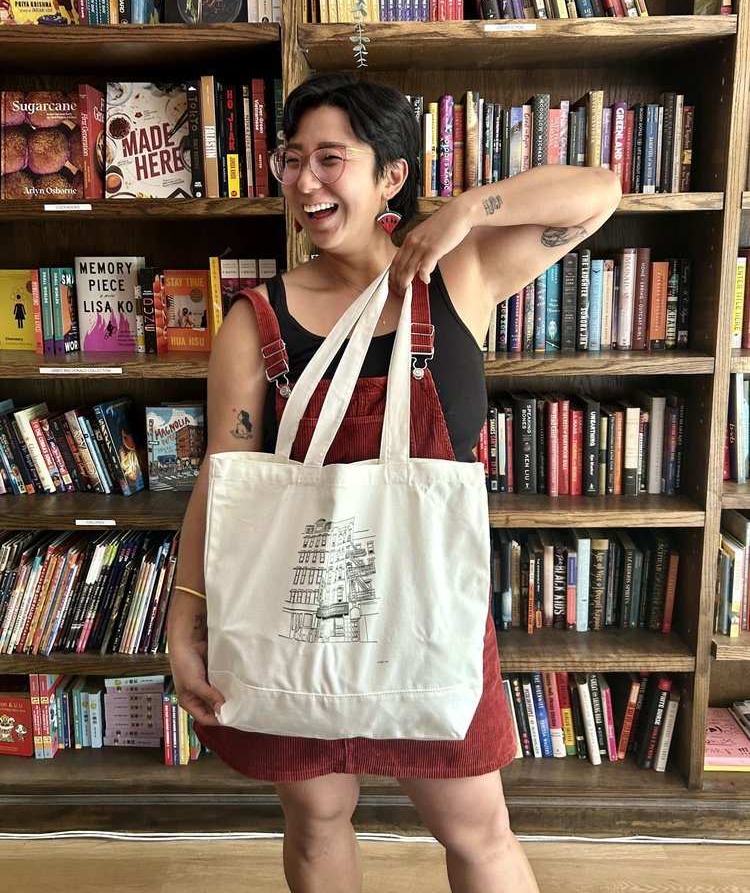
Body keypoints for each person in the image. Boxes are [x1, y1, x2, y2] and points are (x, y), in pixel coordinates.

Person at [167, 73, 621, 893]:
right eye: (292, 158)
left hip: (430, 612)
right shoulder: (255, 319)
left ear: (391, 177)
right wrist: (184, 613)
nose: (306, 181)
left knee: (480, 832)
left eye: (331, 159)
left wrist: (465, 212)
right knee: (316, 819)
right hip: (296, 609)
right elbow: (224, 479)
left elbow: (600, 192)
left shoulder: (460, 275)